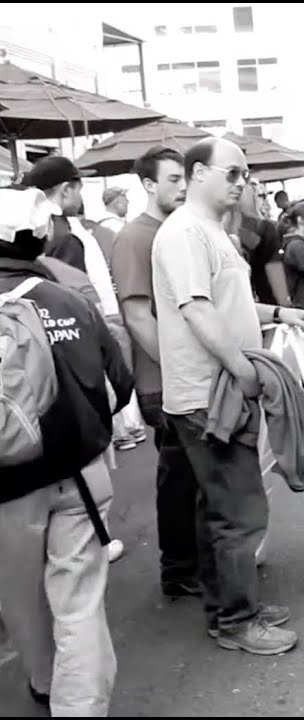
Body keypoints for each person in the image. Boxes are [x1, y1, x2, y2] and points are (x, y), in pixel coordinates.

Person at [151, 137, 304, 655]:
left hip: (217, 388)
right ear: (198, 173)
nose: (242, 181)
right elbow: (198, 310)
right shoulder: (183, 233)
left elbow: (230, 303)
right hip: (209, 394)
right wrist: (244, 370)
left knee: (219, 508)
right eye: (233, 172)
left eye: (245, 174)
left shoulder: (209, 232)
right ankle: (236, 621)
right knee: (239, 510)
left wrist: (278, 314)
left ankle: (229, 606)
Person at [0, 185, 133, 716]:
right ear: (40, 236)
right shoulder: (68, 297)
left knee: (18, 596)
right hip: (80, 475)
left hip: (5, 490)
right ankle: (80, 707)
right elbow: (118, 385)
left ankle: (42, 680)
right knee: (78, 601)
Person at [109, 145, 202, 599]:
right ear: (147, 185)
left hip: (186, 375)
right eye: (171, 180)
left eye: (185, 178)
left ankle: (192, 565)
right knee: (180, 479)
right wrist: (179, 366)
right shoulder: (135, 237)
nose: (182, 187)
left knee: (196, 476)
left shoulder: (179, 229)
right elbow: (137, 316)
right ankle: (180, 570)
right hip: (161, 381)